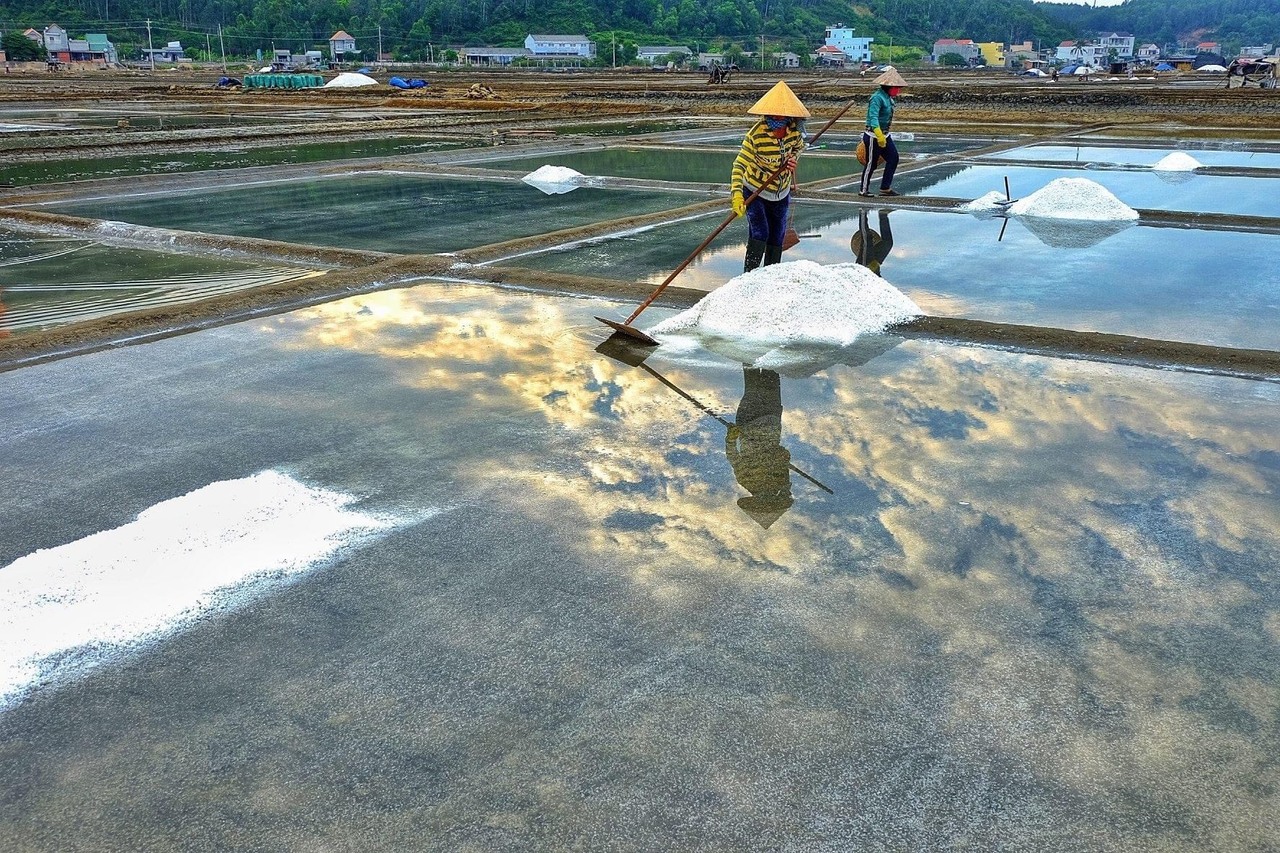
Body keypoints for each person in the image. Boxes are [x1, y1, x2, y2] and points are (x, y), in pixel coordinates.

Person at [730, 80, 810, 271]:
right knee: (760, 232)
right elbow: (739, 164)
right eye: (771, 114)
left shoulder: (794, 131)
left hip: (780, 192)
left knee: (777, 235)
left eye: (780, 114)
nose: (775, 118)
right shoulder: (756, 134)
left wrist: (792, 160)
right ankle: (749, 274)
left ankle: (771, 275)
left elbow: (799, 148)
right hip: (755, 190)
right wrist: (737, 195)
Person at [725, 367, 793, 527]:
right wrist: (781, 458)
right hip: (771, 417)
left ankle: (751, 346)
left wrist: (731, 438)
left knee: (752, 372)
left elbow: (732, 455)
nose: (771, 498)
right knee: (771, 369)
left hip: (751, 418)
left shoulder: (746, 479)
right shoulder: (780, 480)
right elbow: (784, 454)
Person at [858, 68, 907, 198]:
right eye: (896, 88)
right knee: (871, 164)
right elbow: (873, 118)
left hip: (885, 135)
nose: (898, 90)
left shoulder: (889, 98)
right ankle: (863, 190)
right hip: (873, 136)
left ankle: (885, 188)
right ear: (888, 86)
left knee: (893, 158)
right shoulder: (876, 98)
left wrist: (883, 136)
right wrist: (879, 135)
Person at [850, 208, 894, 275]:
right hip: (875, 265)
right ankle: (883, 215)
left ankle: (862, 212)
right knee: (888, 243)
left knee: (867, 238)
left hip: (864, 265)